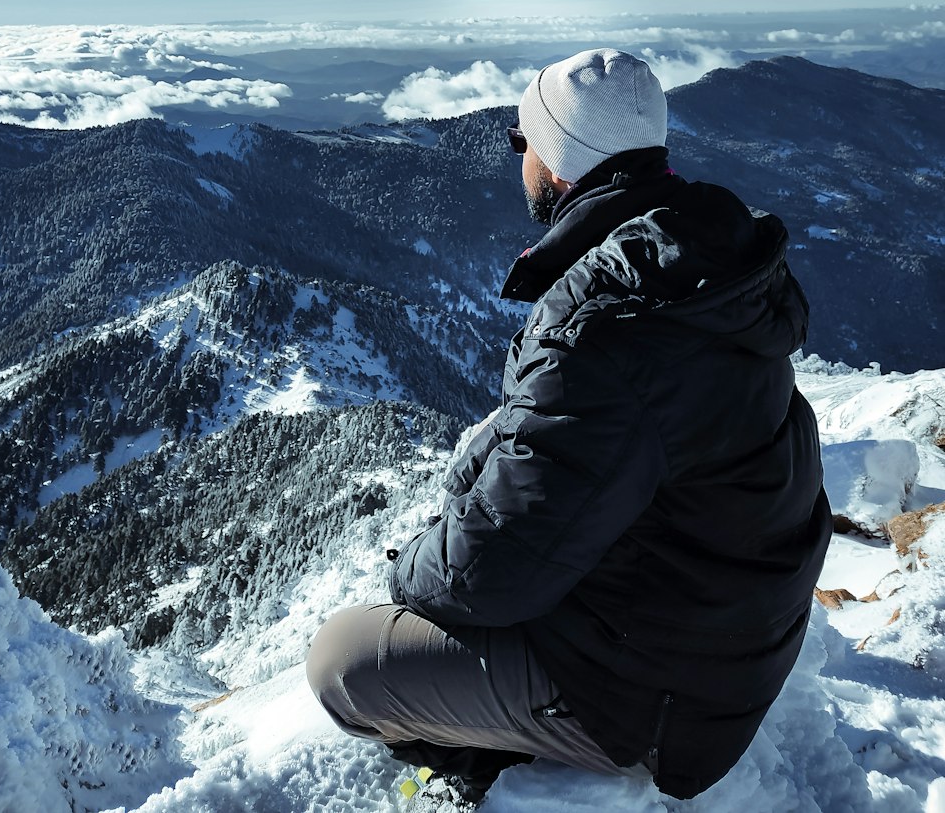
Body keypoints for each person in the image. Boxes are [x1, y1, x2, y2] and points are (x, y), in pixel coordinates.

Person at [307, 49, 832, 807]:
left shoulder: (607, 325)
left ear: (556, 161)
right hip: (726, 637)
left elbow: (486, 573)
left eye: (522, 142)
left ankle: (496, 764)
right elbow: (572, 452)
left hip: (662, 699)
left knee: (343, 662)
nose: (517, 159)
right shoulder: (700, 264)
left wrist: (406, 570)